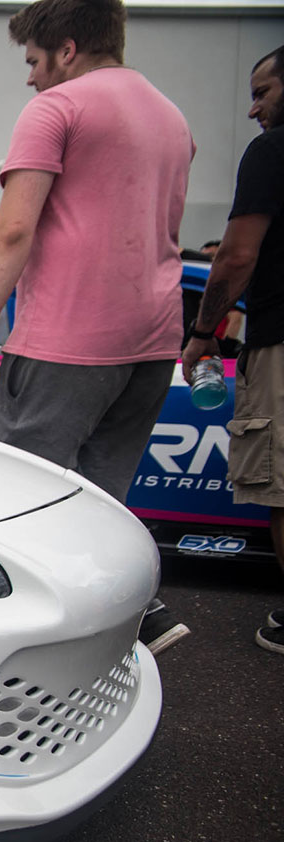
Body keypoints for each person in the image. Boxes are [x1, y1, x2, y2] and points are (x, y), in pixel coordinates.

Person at [0, 0, 194, 655]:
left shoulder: (57, 108)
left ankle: (17, 647)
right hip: (152, 343)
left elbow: (14, 226)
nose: (30, 78)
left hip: (68, 341)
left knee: (21, 499)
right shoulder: (173, 119)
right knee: (106, 501)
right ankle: (134, 616)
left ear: (67, 49)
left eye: (34, 61)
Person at [181, 44, 284, 655]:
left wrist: (203, 333)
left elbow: (237, 256)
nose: (252, 110)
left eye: (262, 92)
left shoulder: (272, 150)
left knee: (280, 487)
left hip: (279, 340)